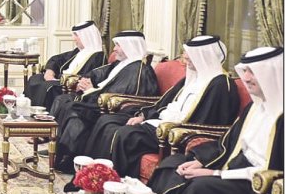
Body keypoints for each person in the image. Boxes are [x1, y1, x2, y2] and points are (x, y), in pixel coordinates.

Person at [147, 47, 283, 194]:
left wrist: (215, 173)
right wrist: (200, 161)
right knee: (173, 164)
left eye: (253, 72)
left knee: (201, 188)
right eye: (245, 71)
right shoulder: (255, 107)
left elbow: (269, 170)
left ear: (271, 74)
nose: (245, 78)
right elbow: (229, 144)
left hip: (258, 185)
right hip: (236, 167)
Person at [85, 35, 240, 177]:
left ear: (204, 56)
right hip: (162, 123)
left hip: (177, 133)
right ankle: (91, 175)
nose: (185, 57)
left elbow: (206, 120)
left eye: (190, 53)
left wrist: (168, 126)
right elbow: (166, 101)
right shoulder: (194, 77)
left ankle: (116, 182)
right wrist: (144, 116)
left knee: (126, 135)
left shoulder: (220, 84)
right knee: (107, 121)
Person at [52, 30, 159, 170]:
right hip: (100, 101)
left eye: (118, 45)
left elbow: (117, 95)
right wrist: (86, 80)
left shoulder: (139, 69)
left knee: (74, 110)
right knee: (66, 102)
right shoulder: (122, 63)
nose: (114, 49)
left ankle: (70, 157)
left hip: (118, 109)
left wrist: (91, 90)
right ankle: (59, 150)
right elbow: (100, 73)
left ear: (130, 46)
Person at [24, 20, 105, 110]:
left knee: (50, 87)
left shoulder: (98, 56)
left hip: (71, 87)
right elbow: (56, 59)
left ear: (86, 36)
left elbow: (92, 77)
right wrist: (49, 72)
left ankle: (42, 114)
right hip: (61, 81)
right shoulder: (79, 51)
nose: (74, 38)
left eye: (76, 35)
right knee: (35, 78)